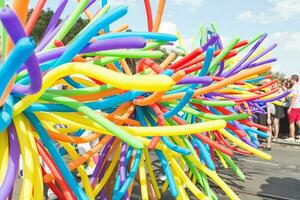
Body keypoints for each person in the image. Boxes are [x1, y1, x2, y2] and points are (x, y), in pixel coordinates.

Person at [285, 74, 300, 142]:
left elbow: (294, 96)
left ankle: (292, 137)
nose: (290, 81)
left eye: (291, 79)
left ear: (294, 79)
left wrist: (290, 107)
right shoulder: (298, 86)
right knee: (298, 122)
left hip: (294, 106)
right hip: (298, 106)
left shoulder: (294, 87)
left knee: (291, 122)